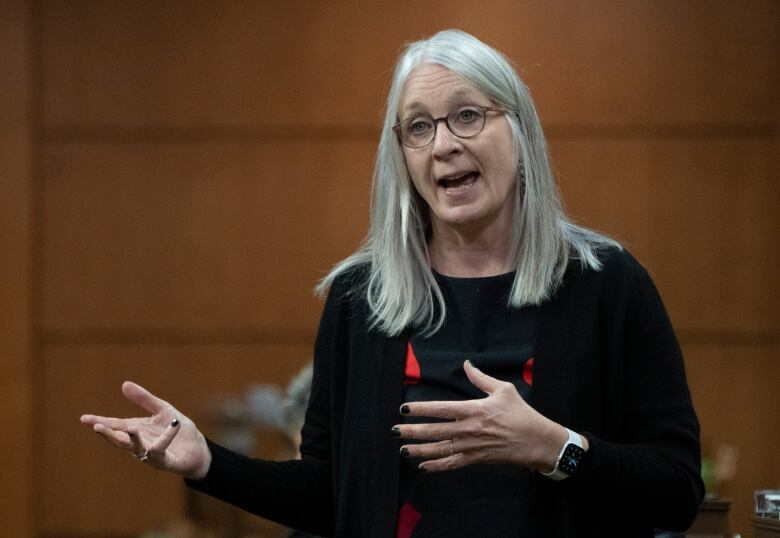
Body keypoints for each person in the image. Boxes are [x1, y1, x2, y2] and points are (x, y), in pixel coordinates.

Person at [81, 29, 704, 537]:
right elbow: (330, 494)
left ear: (519, 130)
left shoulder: (606, 284)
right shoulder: (363, 299)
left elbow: (676, 491)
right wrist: (208, 462)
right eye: (419, 127)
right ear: (401, 155)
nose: (444, 146)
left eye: (467, 116)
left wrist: (552, 445)